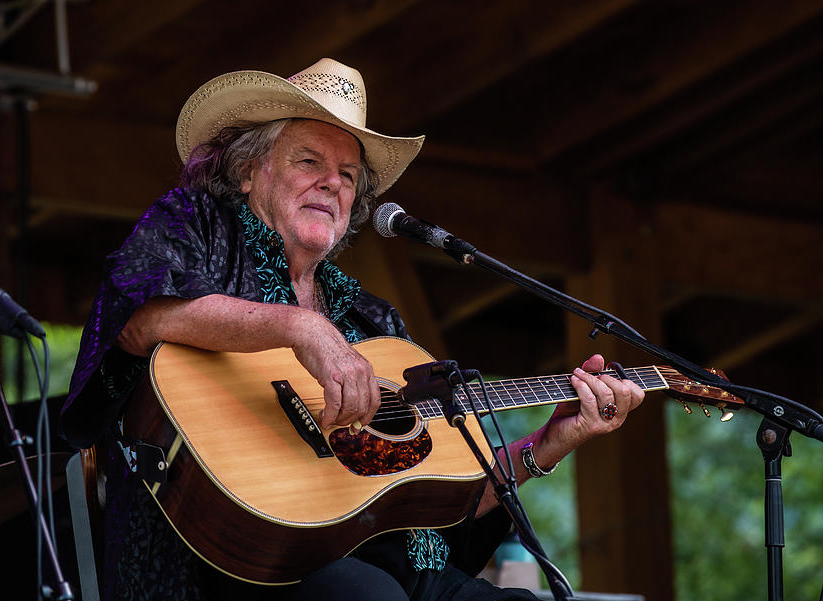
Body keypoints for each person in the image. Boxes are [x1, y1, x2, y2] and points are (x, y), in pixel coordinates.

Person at [61, 58, 645, 601]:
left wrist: (544, 445)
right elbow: (139, 318)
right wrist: (297, 327)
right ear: (247, 171)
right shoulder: (197, 226)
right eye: (309, 161)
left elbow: (428, 493)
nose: (333, 184)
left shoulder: (375, 322)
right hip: (227, 556)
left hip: (381, 562)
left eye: (347, 174)